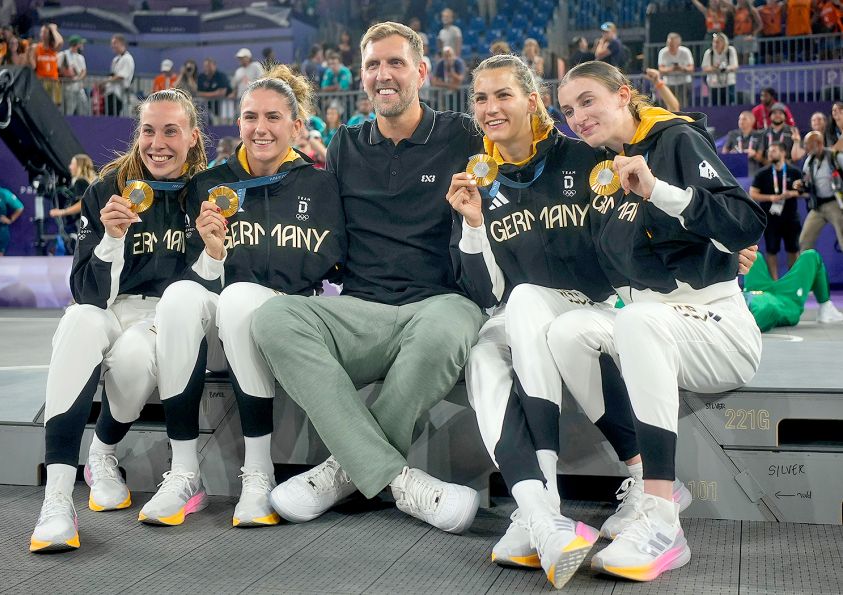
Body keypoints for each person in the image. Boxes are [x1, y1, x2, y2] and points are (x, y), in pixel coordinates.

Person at [444, 53, 690, 588]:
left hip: (601, 308)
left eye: (503, 94)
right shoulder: (479, 181)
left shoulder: (586, 158)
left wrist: (721, 253)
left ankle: (547, 504)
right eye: (480, 98)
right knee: (485, 348)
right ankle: (540, 511)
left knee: (530, 300)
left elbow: (649, 214)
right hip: (530, 317)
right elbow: (486, 294)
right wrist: (470, 228)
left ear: (532, 102)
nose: (490, 108)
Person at [251, 22, 485, 535]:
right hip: (361, 311)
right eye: (374, 65)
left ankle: (343, 472)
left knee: (446, 328)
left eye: (396, 62)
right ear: (362, 75)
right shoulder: (346, 144)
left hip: (441, 302)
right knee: (272, 317)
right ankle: (398, 480)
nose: (384, 74)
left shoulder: (463, 134)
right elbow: (323, 234)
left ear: (422, 71)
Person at [553, 61, 765, 581]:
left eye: (587, 101)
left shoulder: (674, 142)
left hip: (717, 324)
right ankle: (642, 475)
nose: (577, 117)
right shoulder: (603, 172)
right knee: (567, 332)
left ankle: (663, 520)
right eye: (567, 110)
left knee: (639, 321)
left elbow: (744, 222)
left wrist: (661, 193)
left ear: (623, 94)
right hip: (652, 322)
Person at [143, 65, 346, 527]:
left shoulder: (321, 185)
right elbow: (197, 275)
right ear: (238, 125)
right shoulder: (209, 186)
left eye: (273, 117)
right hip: (225, 324)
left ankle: (259, 472)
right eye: (250, 117)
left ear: (296, 127)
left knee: (238, 298)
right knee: (179, 296)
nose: (260, 128)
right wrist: (214, 256)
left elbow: (338, 264)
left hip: (291, 320)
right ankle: (184, 471)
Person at [28, 88, 207, 553]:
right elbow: (86, 293)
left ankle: (102, 453)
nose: (158, 143)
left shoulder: (208, 194)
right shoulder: (105, 191)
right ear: (137, 134)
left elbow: (204, 290)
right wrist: (110, 239)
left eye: (171, 131)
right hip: (110, 306)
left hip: (168, 317)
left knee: (132, 354)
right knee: (78, 322)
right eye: (148, 130)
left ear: (192, 136)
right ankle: (56, 502)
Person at [745, 249, 843, 330]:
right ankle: (825, 307)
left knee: (752, 255)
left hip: (756, 291)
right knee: (811, 256)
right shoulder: (764, 309)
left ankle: (826, 307)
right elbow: (767, 311)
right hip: (786, 301)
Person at [749, 143, 804, 279]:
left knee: (793, 249)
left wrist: (792, 194)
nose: (770, 154)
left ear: (783, 153)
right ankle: (774, 282)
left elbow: (804, 191)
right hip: (771, 218)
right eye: (769, 151)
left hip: (790, 217)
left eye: (773, 151)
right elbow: (753, 194)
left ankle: (793, 281)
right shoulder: (762, 173)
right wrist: (771, 197)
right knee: (771, 250)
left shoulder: (794, 171)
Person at [799, 131, 843, 254]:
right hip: (817, 206)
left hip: (836, 204)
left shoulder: (836, 157)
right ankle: (806, 271)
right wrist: (801, 185)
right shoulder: (809, 161)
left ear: (818, 143)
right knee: (804, 241)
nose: (805, 147)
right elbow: (806, 181)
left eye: (808, 144)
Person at [49, 153, 98, 219]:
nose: (69, 167)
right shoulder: (89, 183)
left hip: (81, 224)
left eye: (72, 164)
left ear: (79, 166)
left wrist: (61, 212)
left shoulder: (80, 182)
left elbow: (83, 204)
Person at [29, 23, 63, 105]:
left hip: (54, 81)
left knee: (55, 105)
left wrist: (53, 30)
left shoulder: (53, 48)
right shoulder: (36, 47)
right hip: (41, 81)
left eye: (45, 32)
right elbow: (33, 66)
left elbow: (60, 42)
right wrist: (30, 55)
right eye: (42, 32)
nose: (43, 34)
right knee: (40, 104)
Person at [722, 110, 763, 175]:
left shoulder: (759, 135)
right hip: (735, 171)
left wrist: (754, 154)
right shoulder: (732, 134)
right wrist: (731, 154)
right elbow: (724, 153)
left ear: (752, 121)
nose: (741, 121)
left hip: (752, 172)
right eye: (739, 119)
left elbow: (762, 158)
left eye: (744, 119)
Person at [702, 33, 738, 106]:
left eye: (717, 42)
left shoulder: (730, 50)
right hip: (714, 85)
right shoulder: (709, 53)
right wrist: (715, 68)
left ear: (724, 42)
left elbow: (734, 66)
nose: (715, 44)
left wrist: (725, 68)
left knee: (730, 106)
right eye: (714, 42)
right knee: (714, 106)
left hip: (728, 84)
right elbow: (705, 68)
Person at [657, 33, 694, 106]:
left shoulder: (685, 52)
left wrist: (682, 68)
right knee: (668, 106)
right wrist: (671, 69)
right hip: (668, 84)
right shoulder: (663, 52)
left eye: (672, 44)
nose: (670, 46)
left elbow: (691, 68)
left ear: (678, 44)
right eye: (668, 44)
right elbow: (661, 69)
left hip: (683, 83)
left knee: (682, 106)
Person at [58, 36, 88, 116]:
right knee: (68, 111)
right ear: (76, 44)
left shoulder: (81, 57)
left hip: (79, 88)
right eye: (81, 44)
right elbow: (59, 69)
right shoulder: (63, 55)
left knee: (83, 109)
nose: (82, 46)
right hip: (68, 88)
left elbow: (84, 71)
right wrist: (67, 73)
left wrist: (77, 79)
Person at [105, 34, 134, 116]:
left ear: (121, 44)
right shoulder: (116, 59)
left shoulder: (127, 58)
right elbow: (113, 74)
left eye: (114, 43)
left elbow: (122, 76)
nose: (112, 46)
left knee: (116, 116)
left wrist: (105, 81)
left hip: (120, 94)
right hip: (111, 92)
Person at [197, 58, 231, 123]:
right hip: (207, 108)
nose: (207, 68)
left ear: (214, 65)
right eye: (205, 66)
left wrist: (205, 95)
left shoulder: (221, 76)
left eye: (209, 66)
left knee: (223, 124)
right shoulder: (201, 77)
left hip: (221, 107)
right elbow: (198, 93)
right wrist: (215, 93)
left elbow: (222, 93)